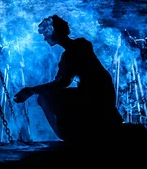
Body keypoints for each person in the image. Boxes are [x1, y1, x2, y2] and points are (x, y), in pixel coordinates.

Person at [13, 14, 124, 146]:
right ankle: (81, 129)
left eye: (46, 33)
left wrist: (32, 90)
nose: (44, 38)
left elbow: (61, 83)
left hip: (98, 95)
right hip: (97, 92)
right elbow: (63, 80)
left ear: (54, 31)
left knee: (44, 98)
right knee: (47, 95)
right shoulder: (77, 48)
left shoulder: (78, 47)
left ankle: (72, 133)